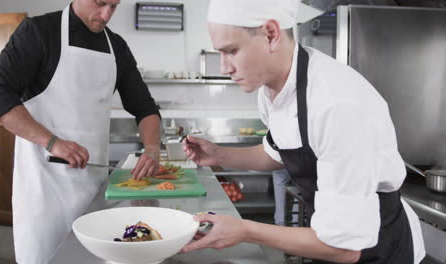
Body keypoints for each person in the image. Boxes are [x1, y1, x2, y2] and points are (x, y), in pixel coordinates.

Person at [179, 0, 426, 263]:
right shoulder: (272, 88)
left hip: (379, 249)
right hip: (327, 237)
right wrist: (219, 155)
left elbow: (346, 248)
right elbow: (277, 153)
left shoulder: (337, 105)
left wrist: (245, 230)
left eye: (231, 51)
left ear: (271, 34)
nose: (224, 68)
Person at [0, 0, 161, 263]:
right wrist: (52, 141)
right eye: (100, 4)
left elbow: (145, 108)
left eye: (114, 6)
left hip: (95, 192)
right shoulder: (38, 32)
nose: (106, 15)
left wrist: (153, 149)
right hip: (44, 192)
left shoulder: (117, 47)